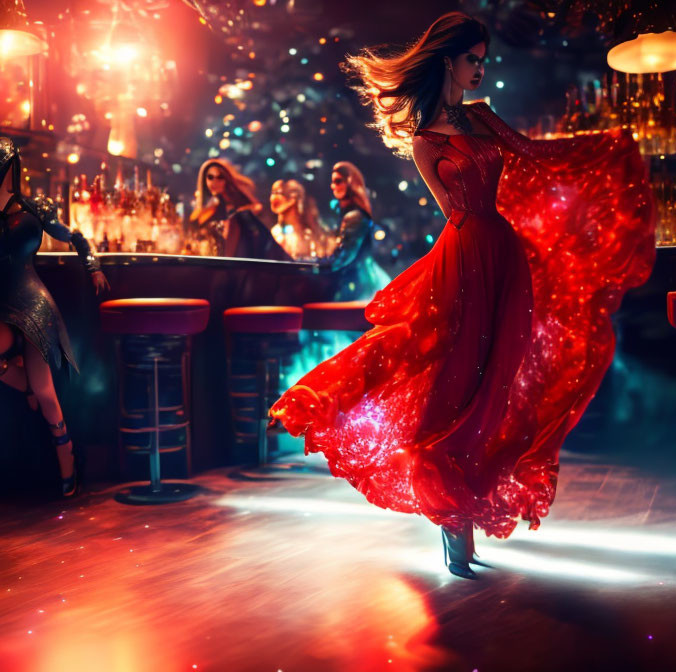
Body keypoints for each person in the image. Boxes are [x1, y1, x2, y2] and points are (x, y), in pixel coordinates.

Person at [268, 12, 655, 579]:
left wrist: (602, 149)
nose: (480, 67)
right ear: (448, 60)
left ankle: (462, 514)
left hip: (504, 256)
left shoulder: (483, 119)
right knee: (450, 378)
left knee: (500, 383)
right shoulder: (426, 143)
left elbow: (539, 158)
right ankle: (433, 503)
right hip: (463, 255)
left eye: (484, 58)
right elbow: (452, 212)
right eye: (473, 58)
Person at [0, 138, 110, 497]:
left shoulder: (34, 206)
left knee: (47, 393)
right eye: (8, 165)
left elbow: (74, 235)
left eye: (15, 165)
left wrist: (91, 264)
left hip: (33, 299)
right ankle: (28, 390)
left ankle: (68, 464)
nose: (14, 172)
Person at [191, 159, 290, 260]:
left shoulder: (235, 195)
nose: (214, 182)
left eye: (220, 177)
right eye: (210, 177)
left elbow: (257, 207)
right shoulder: (211, 204)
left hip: (242, 251)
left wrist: (239, 214)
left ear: (226, 178)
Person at [325, 161, 390, 300]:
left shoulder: (354, 217)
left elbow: (343, 256)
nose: (333, 186)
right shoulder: (348, 214)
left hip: (357, 283)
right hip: (358, 278)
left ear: (350, 182)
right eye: (332, 182)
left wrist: (320, 264)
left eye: (338, 181)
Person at [268, 179, 328, 260]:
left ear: (293, 198)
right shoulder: (275, 232)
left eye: (279, 193)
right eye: (273, 193)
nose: (273, 198)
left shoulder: (309, 234)